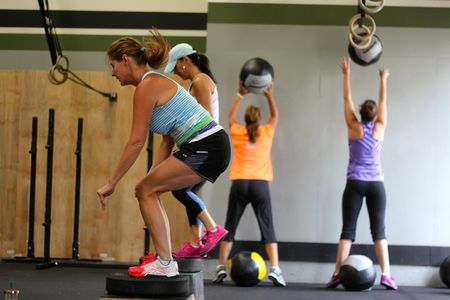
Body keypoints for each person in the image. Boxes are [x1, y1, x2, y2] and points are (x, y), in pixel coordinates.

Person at [96, 29, 230, 277]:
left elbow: (136, 142)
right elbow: (166, 142)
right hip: (208, 146)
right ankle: (166, 261)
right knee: (147, 189)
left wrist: (111, 183)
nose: (113, 72)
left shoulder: (148, 85)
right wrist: (151, 178)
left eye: (114, 65)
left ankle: (166, 263)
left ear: (125, 60)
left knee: (144, 190)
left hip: (208, 145)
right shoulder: (156, 83)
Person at [326, 57, 397, 290]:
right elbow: (384, 102)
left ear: (361, 113)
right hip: (376, 184)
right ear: (374, 114)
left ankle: (337, 273)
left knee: (347, 231)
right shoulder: (380, 126)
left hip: (355, 182)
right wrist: (383, 80)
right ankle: (387, 275)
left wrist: (346, 74)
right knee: (379, 232)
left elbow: (347, 99)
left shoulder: (353, 126)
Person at [212, 82, 286, 287]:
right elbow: (275, 117)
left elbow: (229, 117)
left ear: (246, 119)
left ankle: (220, 269)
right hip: (260, 184)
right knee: (268, 227)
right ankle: (276, 270)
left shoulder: (237, 132)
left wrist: (239, 94)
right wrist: (270, 95)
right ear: (258, 119)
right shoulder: (265, 132)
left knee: (230, 227)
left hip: (240, 183)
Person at [163, 43, 221, 258]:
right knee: (187, 191)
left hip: (206, 146)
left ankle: (213, 230)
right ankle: (195, 241)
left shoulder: (201, 81)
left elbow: (205, 119)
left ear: (185, 61)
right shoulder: (198, 82)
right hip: (204, 146)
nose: (176, 72)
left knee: (179, 189)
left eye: (176, 67)